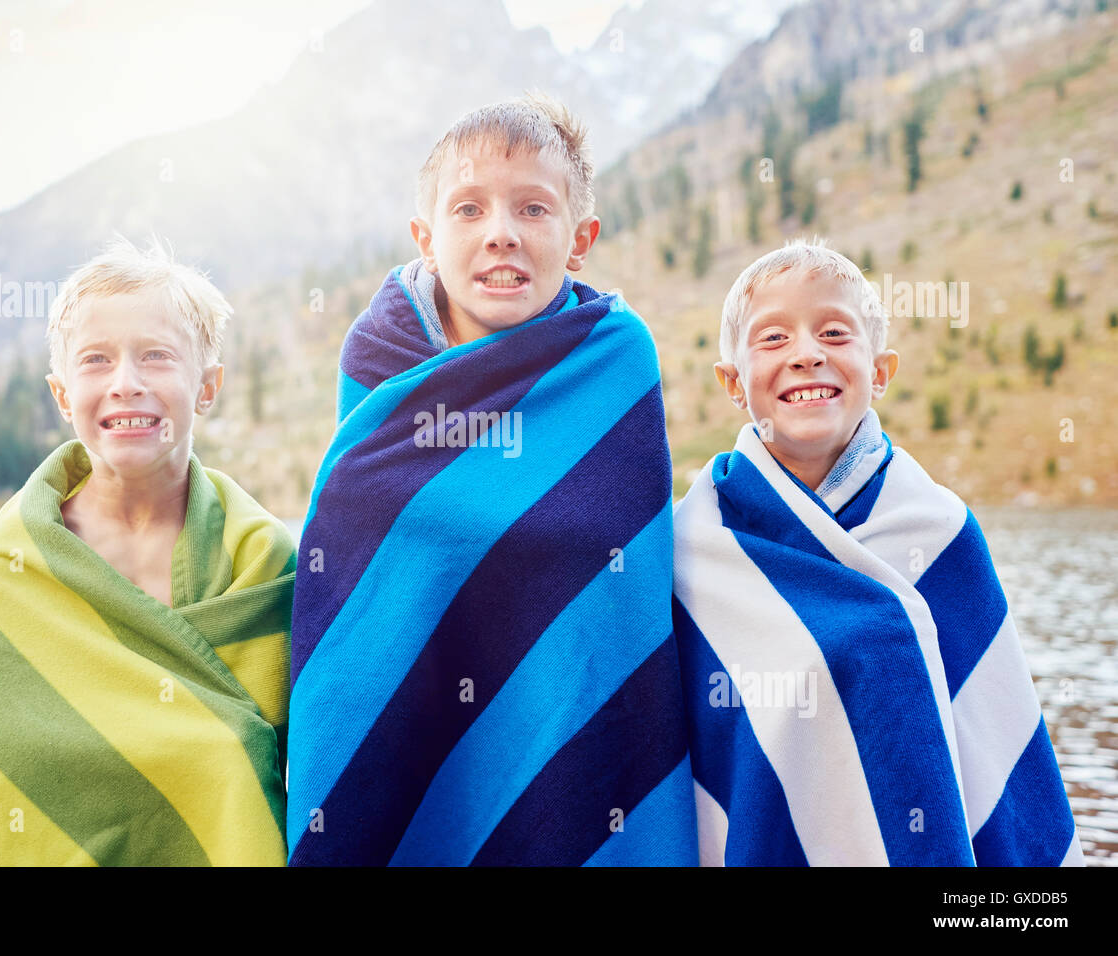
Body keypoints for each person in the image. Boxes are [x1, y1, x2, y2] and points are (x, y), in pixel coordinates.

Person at [286, 93, 697, 866]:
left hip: (579, 771)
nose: (500, 232)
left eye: (533, 209)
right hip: (411, 757)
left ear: (580, 239)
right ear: (426, 238)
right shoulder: (378, 364)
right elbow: (354, 600)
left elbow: (627, 587)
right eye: (468, 209)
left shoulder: (615, 361)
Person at [673, 237, 1083, 865]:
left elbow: (996, 741)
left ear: (881, 369)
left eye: (835, 333)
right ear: (733, 382)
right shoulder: (694, 548)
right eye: (773, 338)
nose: (807, 354)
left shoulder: (940, 533)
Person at [0, 237, 295, 865]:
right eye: (95, 360)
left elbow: (309, 767)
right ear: (63, 395)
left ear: (207, 387)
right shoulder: (14, 563)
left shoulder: (260, 562)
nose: (126, 384)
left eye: (156, 357)